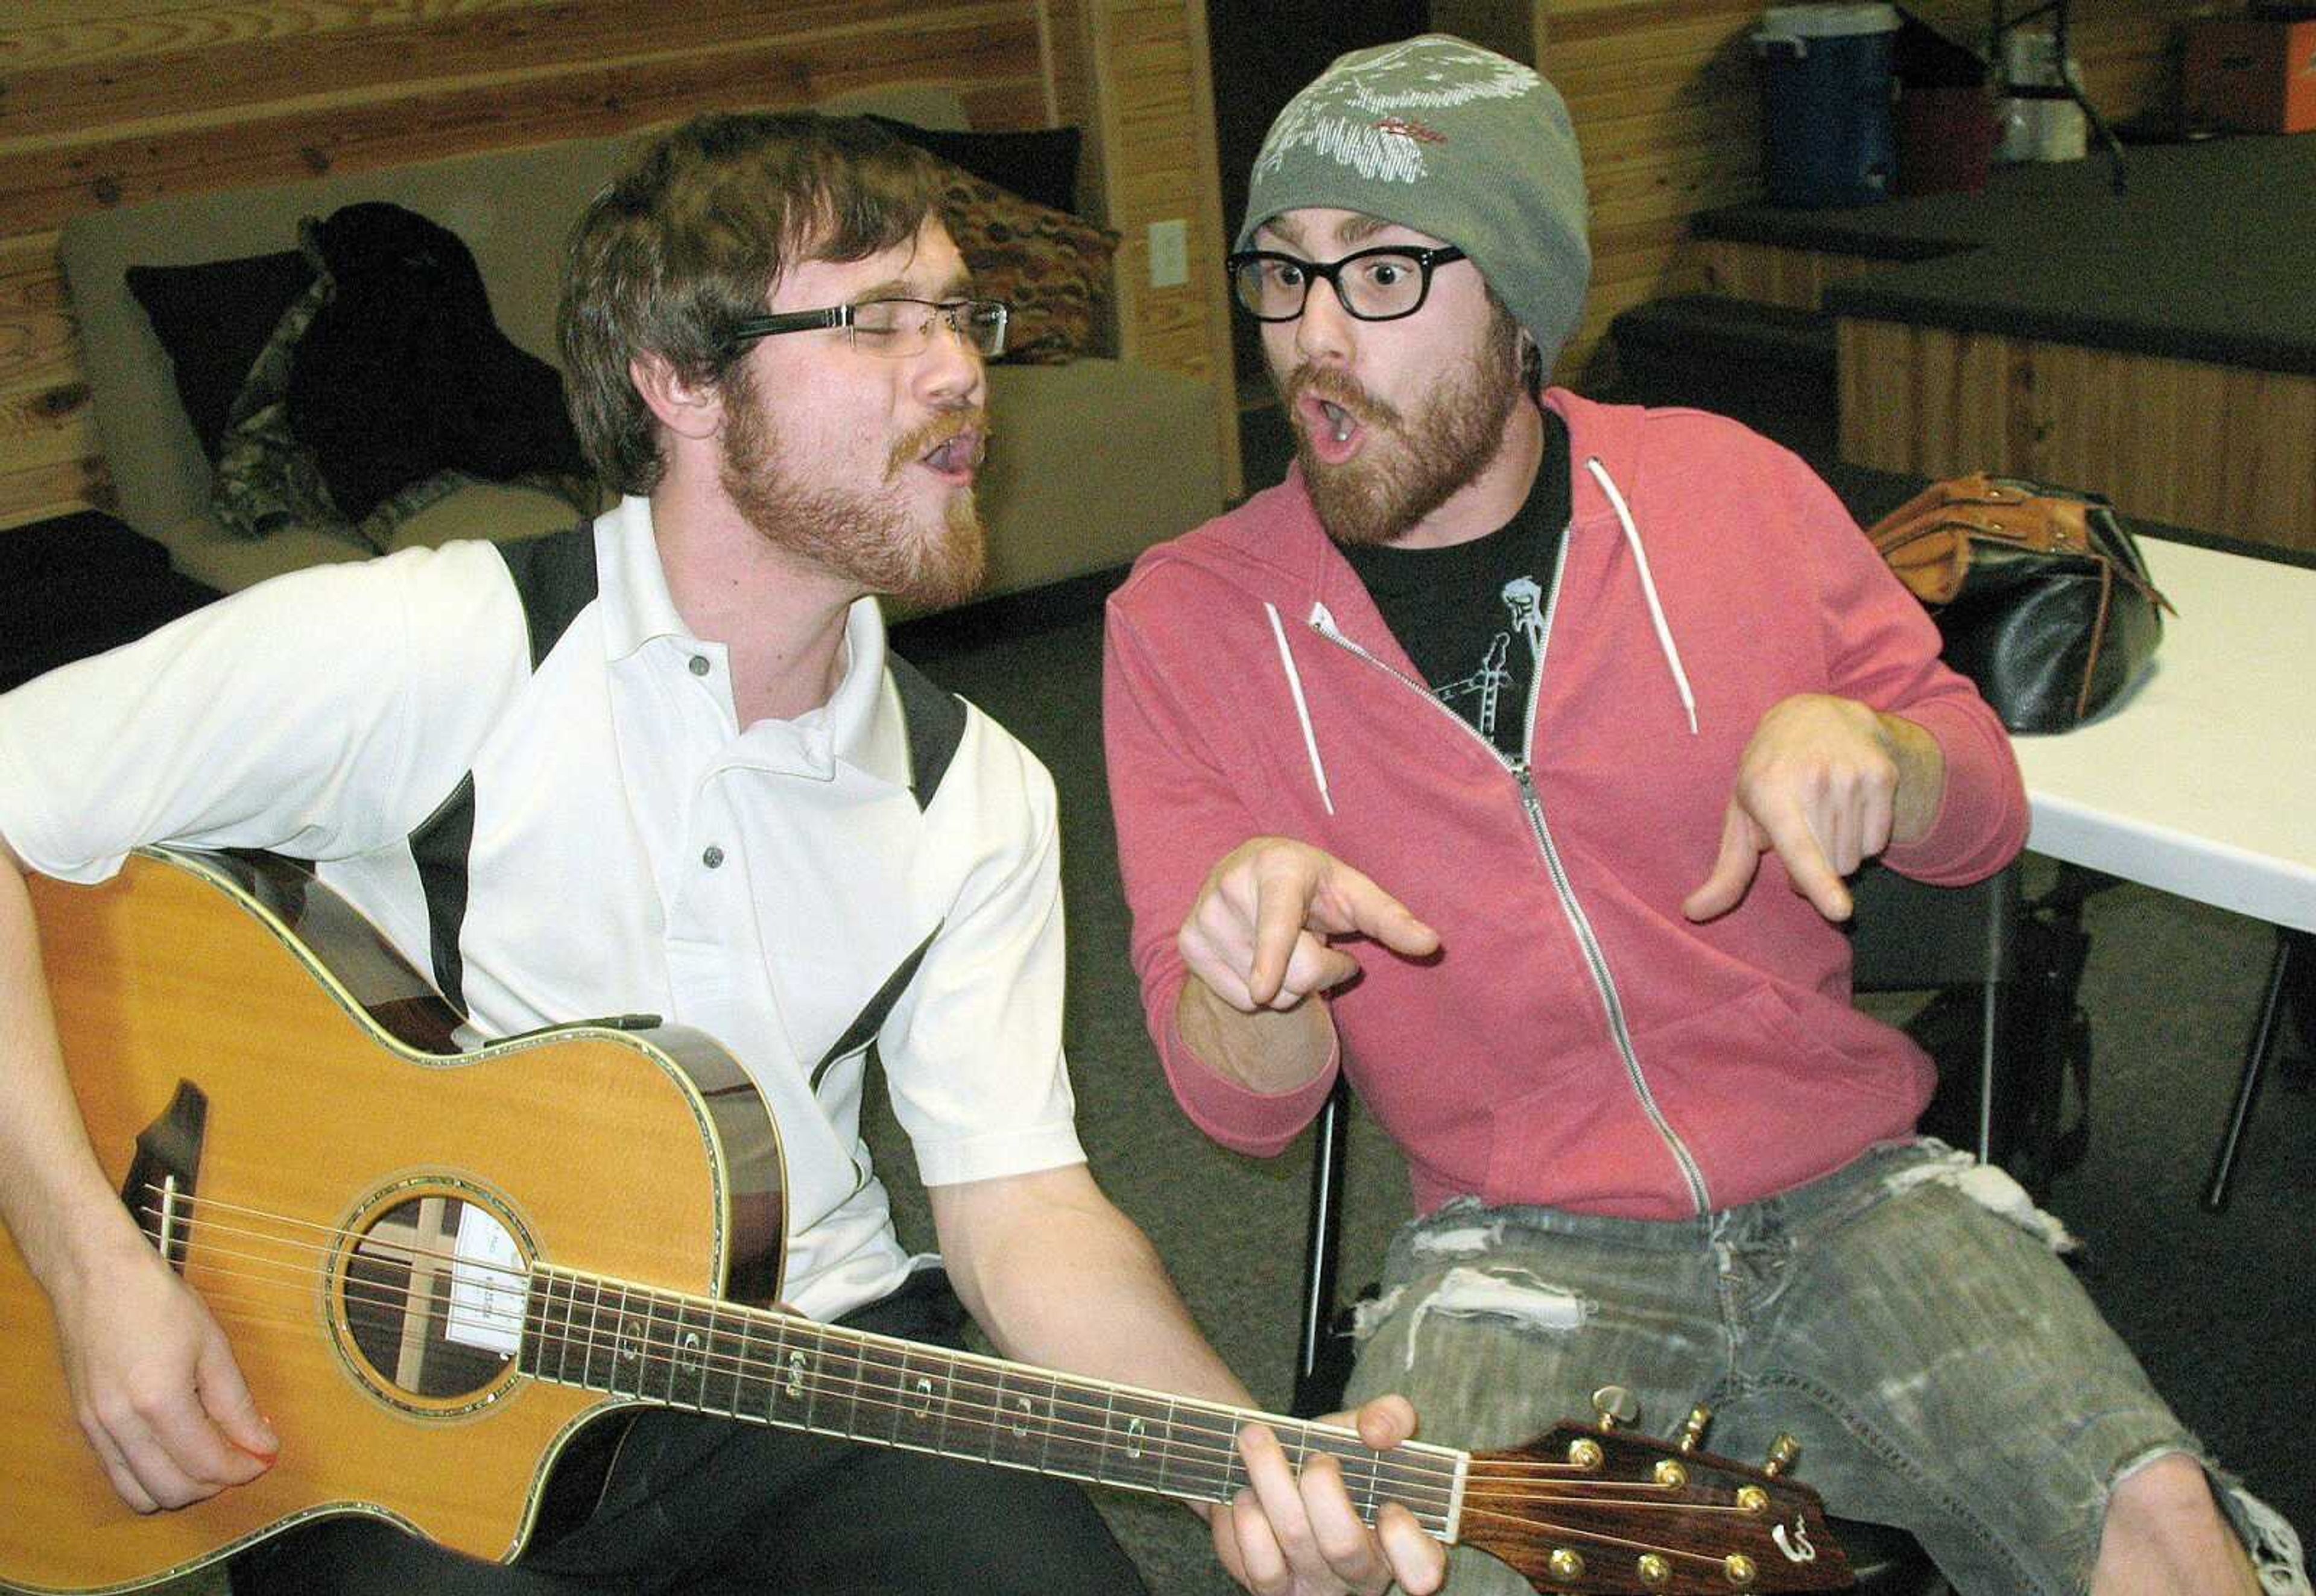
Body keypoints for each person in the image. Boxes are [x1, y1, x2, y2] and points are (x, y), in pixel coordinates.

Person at [0, 112, 1444, 1596]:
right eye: (877, 319)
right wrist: (90, 1260)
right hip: (390, 1409)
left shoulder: (980, 790)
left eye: (958, 314)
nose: (959, 372)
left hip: (800, 1365)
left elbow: (1021, 1209)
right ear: (679, 382)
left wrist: (1240, 1462)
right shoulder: (440, 644)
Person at [1103, 35, 2307, 1596]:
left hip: (1856, 1196)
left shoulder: (1729, 493)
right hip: (1510, 1248)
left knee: (2163, 1536)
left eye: (1383, 274)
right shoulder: (1188, 625)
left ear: (1522, 305)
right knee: (1422, 1578)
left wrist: (1881, 743)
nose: (1316, 340)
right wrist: (1246, 978)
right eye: (1284, 276)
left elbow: (1980, 806)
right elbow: (1242, 1107)